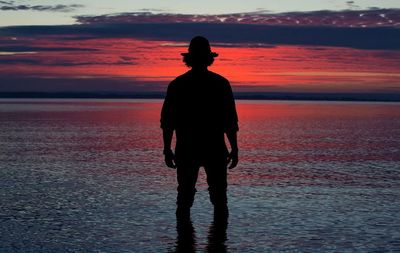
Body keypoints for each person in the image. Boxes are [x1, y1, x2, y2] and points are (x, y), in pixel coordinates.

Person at [161, 36, 239, 219]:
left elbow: (167, 122)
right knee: (219, 199)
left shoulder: (177, 85)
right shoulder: (221, 84)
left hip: (188, 148)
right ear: (209, 58)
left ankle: (185, 241)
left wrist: (166, 148)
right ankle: (219, 242)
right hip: (213, 148)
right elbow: (230, 121)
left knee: (185, 198)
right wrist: (234, 148)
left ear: (189, 58)